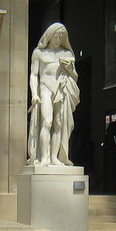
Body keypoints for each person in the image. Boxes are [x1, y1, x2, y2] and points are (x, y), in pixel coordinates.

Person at [28, 22, 80, 166]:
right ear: (50, 36)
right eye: (56, 36)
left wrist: (69, 69)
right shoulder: (39, 52)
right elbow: (33, 75)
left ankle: (54, 157)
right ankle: (44, 157)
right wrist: (34, 94)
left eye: (61, 37)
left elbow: (75, 77)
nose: (58, 40)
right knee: (47, 121)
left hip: (61, 89)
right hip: (45, 88)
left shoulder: (67, 53)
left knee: (58, 124)